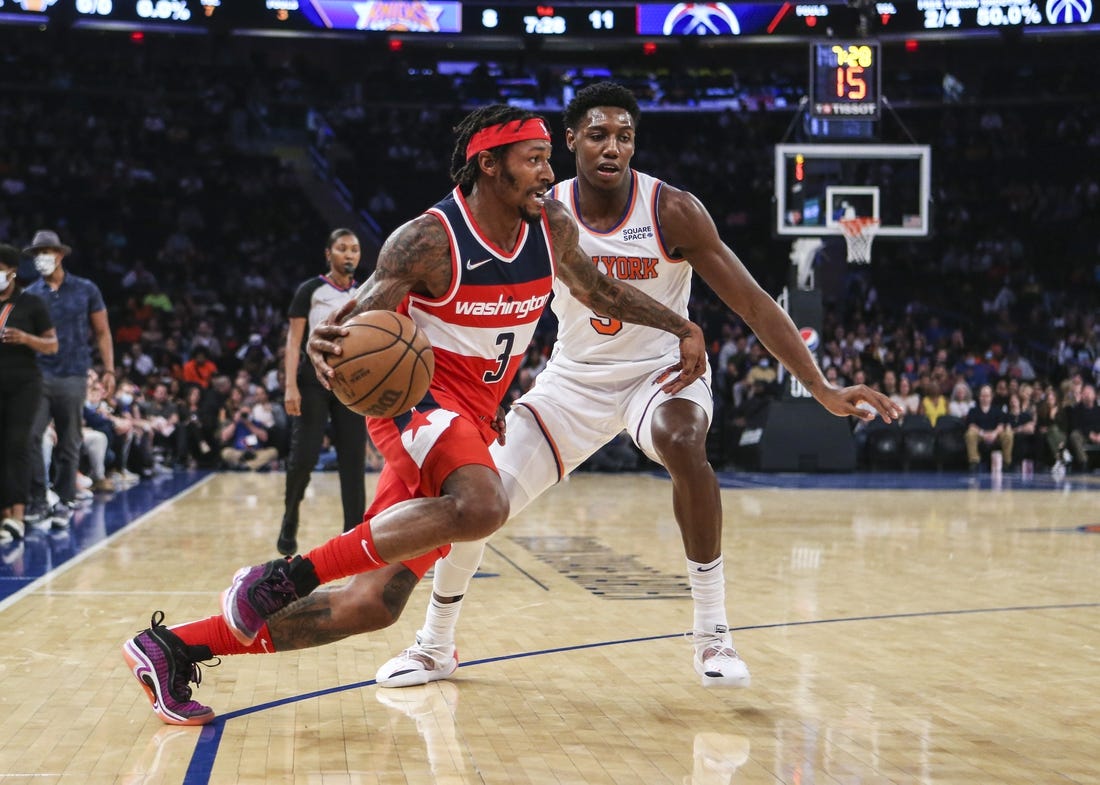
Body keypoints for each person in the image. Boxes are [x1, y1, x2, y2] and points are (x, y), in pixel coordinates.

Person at [122, 101, 896, 727]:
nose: (548, 174)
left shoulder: (549, 225)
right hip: (419, 400)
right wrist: (327, 348)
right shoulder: (429, 237)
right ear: (489, 163)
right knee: (482, 502)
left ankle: (174, 645)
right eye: (536, 158)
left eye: (549, 161)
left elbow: (598, 293)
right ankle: (282, 574)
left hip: (481, 411)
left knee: (371, 604)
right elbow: (359, 322)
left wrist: (682, 325)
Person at [374, 81, 901, 690]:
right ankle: (435, 645)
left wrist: (822, 387)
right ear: (568, 141)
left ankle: (713, 633)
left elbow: (754, 303)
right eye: (597, 135)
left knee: (682, 439)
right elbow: (499, 303)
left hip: (659, 374)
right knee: (475, 505)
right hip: (571, 381)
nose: (612, 148)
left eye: (624, 137)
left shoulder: (671, 209)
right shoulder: (537, 210)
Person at [278, 229, 368, 555]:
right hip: (313, 380)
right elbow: (293, 340)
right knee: (303, 458)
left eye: (355, 249)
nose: (349, 254)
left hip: (352, 383)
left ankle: (353, 535)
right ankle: (290, 519)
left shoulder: (366, 293)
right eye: (342, 248)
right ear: (328, 254)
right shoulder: (311, 290)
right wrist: (290, 385)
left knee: (353, 462)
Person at [24, 230, 115, 528]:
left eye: (46, 252)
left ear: (60, 254)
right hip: (38, 374)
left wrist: (109, 370)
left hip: (74, 373)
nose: (41, 259)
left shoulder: (86, 289)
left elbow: (102, 332)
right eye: (37, 254)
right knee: (31, 436)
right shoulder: (30, 295)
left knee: (70, 440)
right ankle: (39, 500)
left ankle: (64, 500)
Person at [0, 244, 58, 543]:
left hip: (24, 384)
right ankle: (2, 513)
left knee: (17, 445)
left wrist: (25, 338)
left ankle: (17, 515)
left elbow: (52, 345)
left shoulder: (31, 303)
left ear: (11, 271)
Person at [964, 383, 1013, 472]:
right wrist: (983, 434)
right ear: (979, 397)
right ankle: (974, 462)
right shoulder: (973, 410)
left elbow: (1001, 425)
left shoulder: (997, 410)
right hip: (980, 434)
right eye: (982, 396)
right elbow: (971, 425)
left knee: (1008, 435)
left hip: (995, 434)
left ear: (991, 397)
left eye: (987, 396)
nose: (985, 398)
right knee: (970, 434)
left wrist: (994, 434)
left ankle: (1006, 463)